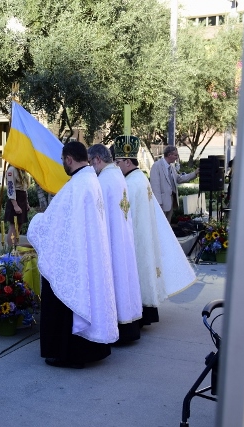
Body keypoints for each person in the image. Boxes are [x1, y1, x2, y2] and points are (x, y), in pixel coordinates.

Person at [28, 140, 118, 368]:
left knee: (62, 292)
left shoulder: (77, 185)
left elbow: (53, 221)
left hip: (78, 256)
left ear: (68, 159)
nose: (63, 165)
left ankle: (69, 354)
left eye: (62, 161)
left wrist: (36, 222)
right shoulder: (91, 180)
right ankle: (90, 350)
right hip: (90, 253)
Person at [114, 136, 196, 325]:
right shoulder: (138, 179)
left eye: (118, 162)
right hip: (144, 237)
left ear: (127, 161)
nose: (116, 166)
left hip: (137, 239)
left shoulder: (131, 183)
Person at [88, 144, 143, 343]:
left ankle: (116, 327)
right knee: (125, 279)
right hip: (124, 240)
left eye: (90, 162)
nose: (91, 166)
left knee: (115, 279)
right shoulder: (118, 175)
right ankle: (129, 327)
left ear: (96, 159)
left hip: (111, 240)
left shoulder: (103, 180)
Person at [149, 145, 199, 222]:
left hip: (171, 202)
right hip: (161, 203)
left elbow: (179, 179)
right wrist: (158, 204)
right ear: (169, 155)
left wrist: (194, 173)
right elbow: (155, 187)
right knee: (160, 226)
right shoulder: (157, 166)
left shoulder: (171, 167)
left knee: (167, 227)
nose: (177, 157)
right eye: (176, 155)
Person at [4, 164, 30, 248]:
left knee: (19, 224)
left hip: (22, 199)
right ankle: (11, 249)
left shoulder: (22, 170)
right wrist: (15, 205)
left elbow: (24, 189)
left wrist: (27, 203)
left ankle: (15, 246)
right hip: (15, 199)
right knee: (13, 225)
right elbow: (10, 188)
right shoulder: (11, 170)